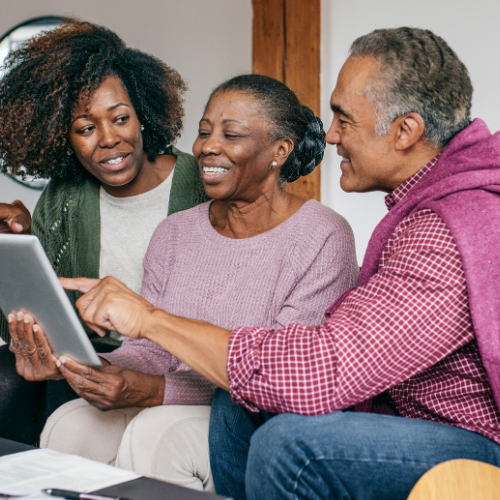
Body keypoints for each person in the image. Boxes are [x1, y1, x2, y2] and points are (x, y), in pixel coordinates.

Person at [54, 27, 500, 499]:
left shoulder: (445, 228)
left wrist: (150, 320)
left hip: (470, 444)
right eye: (205, 131)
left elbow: (323, 372)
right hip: (405, 421)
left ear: (406, 131)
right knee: (236, 402)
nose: (330, 136)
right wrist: (92, 361)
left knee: (289, 445)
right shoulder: (436, 206)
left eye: (344, 119)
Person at [8, 74, 359, 491]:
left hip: (248, 415)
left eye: (231, 134)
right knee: (72, 425)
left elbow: (281, 378)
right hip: (171, 397)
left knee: (158, 435)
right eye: (205, 131)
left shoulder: (323, 236)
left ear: (279, 151)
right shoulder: (175, 232)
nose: (208, 147)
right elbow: (149, 351)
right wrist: (92, 369)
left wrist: (155, 391)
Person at [0, 20, 209, 445]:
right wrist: (23, 248)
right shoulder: (64, 197)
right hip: (89, 364)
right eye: (85, 128)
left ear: (144, 114)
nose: (109, 139)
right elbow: (36, 314)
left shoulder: (202, 184)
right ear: (65, 137)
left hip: (178, 364)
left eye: (120, 118)